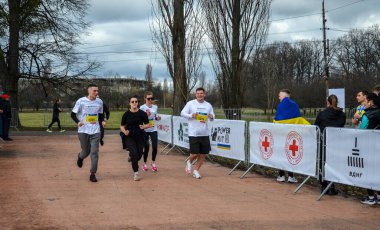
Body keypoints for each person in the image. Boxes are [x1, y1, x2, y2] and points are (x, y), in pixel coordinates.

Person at [71, 84, 106, 182]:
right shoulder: (81, 101)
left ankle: (92, 173)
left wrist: (103, 120)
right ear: (89, 91)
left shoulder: (99, 102)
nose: (96, 92)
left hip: (95, 131)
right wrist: (78, 122)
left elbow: (101, 114)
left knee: (94, 152)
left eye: (97, 91)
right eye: (94, 91)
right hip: (83, 131)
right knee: (86, 152)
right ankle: (80, 157)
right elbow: (72, 114)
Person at [273, 89, 310, 183]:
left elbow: (277, 119)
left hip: (281, 134)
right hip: (292, 135)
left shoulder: (281, 105)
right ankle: (291, 176)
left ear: (284, 95)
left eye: (279, 95)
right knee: (290, 155)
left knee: (281, 153)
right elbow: (299, 119)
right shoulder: (294, 105)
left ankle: (281, 175)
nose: (278, 97)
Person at [314, 95, 346, 195]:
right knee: (333, 164)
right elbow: (341, 125)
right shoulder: (342, 114)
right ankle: (331, 186)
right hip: (336, 142)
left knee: (322, 162)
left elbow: (316, 126)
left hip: (324, 141)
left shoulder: (322, 114)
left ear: (328, 102)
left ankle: (324, 185)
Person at [181, 87, 215, 179]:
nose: (200, 95)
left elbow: (212, 117)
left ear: (204, 94)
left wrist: (211, 116)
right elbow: (182, 113)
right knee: (194, 154)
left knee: (203, 154)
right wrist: (191, 115)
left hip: (205, 133)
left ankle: (196, 170)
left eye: (201, 93)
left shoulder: (208, 105)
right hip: (194, 133)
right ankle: (189, 162)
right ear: (195, 95)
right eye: (198, 93)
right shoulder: (190, 104)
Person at [120, 95, 150, 181]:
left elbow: (148, 124)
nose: (134, 103)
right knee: (134, 154)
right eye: (132, 101)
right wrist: (124, 131)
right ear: (129, 103)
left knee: (139, 154)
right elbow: (121, 126)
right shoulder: (126, 114)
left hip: (140, 135)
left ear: (138, 103)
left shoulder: (142, 113)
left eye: (136, 101)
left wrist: (144, 126)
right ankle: (136, 173)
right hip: (129, 136)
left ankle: (132, 157)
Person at [358, 93, 380, 205]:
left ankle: (371, 197)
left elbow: (361, 130)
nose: (363, 103)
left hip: (369, 146)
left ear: (370, 102)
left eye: (365, 101)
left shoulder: (367, 114)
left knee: (368, 171)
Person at [140, 91, 161, 172]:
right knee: (147, 147)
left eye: (152, 98)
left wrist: (157, 118)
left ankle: (153, 163)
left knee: (155, 147)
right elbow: (140, 118)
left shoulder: (155, 107)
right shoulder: (142, 107)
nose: (150, 100)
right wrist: (146, 115)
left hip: (153, 128)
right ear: (145, 98)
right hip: (145, 129)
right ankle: (144, 163)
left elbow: (155, 116)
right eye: (148, 98)